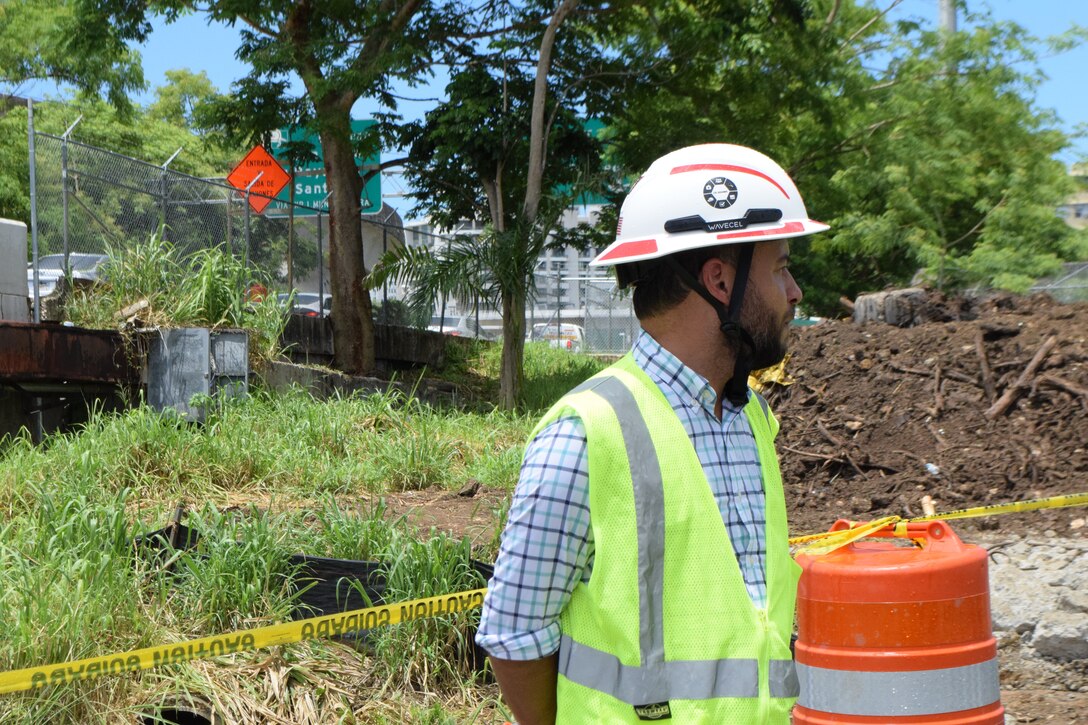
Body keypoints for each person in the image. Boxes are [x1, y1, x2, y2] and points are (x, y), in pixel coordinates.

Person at [476, 143, 829, 724]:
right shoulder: (586, 433)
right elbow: (515, 632)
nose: (794, 292)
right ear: (720, 280)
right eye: (781, 267)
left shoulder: (753, 418)